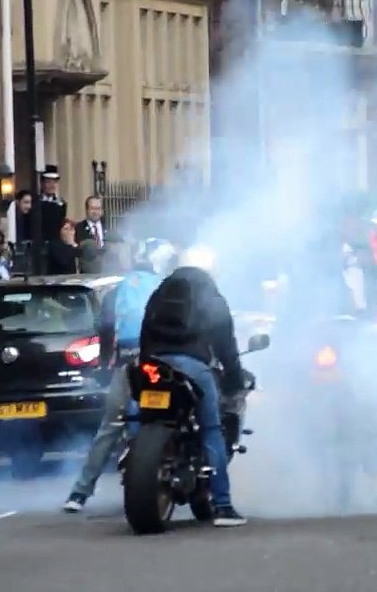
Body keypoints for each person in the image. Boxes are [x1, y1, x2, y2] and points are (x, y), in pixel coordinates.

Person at [63, 238, 177, 513]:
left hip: (127, 364)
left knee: (110, 425)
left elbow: (105, 328)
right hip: (162, 362)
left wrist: (104, 366)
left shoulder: (120, 289)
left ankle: (80, 492)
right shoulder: (167, 288)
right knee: (186, 415)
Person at [138, 262, 249, 527]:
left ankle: (134, 453)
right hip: (192, 367)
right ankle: (223, 506)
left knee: (139, 418)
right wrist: (234, 380)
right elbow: (226, 347)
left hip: (153, 365)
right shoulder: (212, 299)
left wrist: (145, 363)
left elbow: (144, 333)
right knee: (212, 428)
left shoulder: (158, 295)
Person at [75, 196, 110, 273]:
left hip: (106, 272)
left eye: (98, 208)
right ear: (87, 210)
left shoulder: (108, 227)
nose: (95, 212)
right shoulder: (79, 228)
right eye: (92, 208)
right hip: (88, 272)